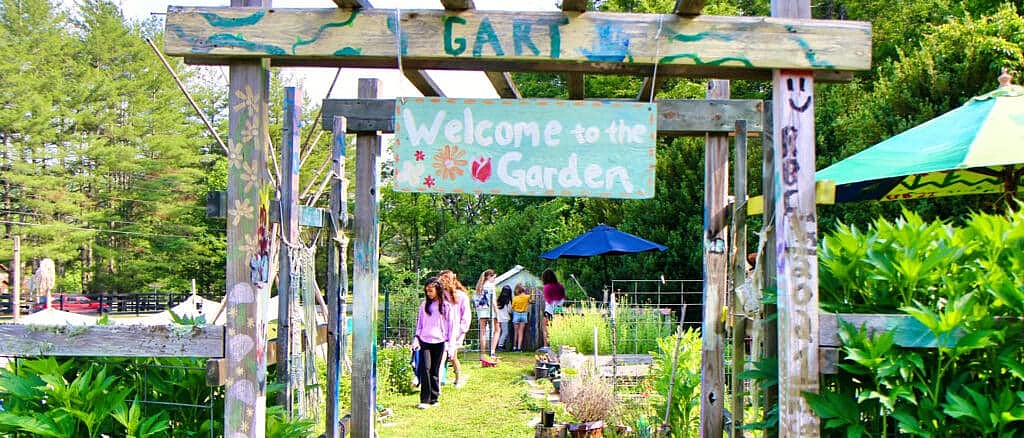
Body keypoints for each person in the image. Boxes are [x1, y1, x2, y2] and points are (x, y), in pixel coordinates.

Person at [411, 276, 449, 409]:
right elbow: (419, 324)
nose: (428, 293)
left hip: (439, 341)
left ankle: (434, 397)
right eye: (427, 291)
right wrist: (416, 338)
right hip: (425, 340)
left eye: (431, 291)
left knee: (434, 370)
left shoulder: (445, 306)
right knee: (425, 369)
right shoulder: (423, 306)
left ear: (438, 290)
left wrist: (450, 342)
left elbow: (450, 325)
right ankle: (424, 400)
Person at [439, 269, 471, 387]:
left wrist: (460, 330)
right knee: (441, 353)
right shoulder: (440, 296)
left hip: (456, 332)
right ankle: (439, 378)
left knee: (453, 355)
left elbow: (466, 316)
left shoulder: (461, 296)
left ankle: (458, 377)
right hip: (442, 331)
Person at [474, 269, 499, 360]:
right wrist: (497, 313)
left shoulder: (479, 287)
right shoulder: (490, 286)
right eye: (493, 277)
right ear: (489, 276)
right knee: (497, 329)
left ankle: (482, 354)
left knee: (483, 332)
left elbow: (476, 301)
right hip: (490, 310)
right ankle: (492, 352)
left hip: (481, 311)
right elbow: (493, 301)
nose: (494, 279)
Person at [540, 269, 566, 350]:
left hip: (549, 310)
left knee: (545, 329)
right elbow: (563, 299)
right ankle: (558, 346)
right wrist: (558, 305)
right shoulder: (560, 286)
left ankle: (546, 346)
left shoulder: (546, 287)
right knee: (558, 329)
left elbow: (548, 300)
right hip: (559, 311)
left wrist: (553, 305)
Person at [511, 283, 532, 352]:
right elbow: (530, 301)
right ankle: (519, 348)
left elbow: (512, 307)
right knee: (521, 332)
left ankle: (514, 347)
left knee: (515, 332)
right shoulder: (527, 297)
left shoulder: (515, 298)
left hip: (516, 314)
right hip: (524, 314)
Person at [495, 284, 513, 352]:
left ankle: (496, 344)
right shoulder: (508, 301)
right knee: (505, 332)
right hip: (504, 318)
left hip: (497, 318)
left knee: (497, 332)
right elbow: (510, 310)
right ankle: (500, 345)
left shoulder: (498, 299)